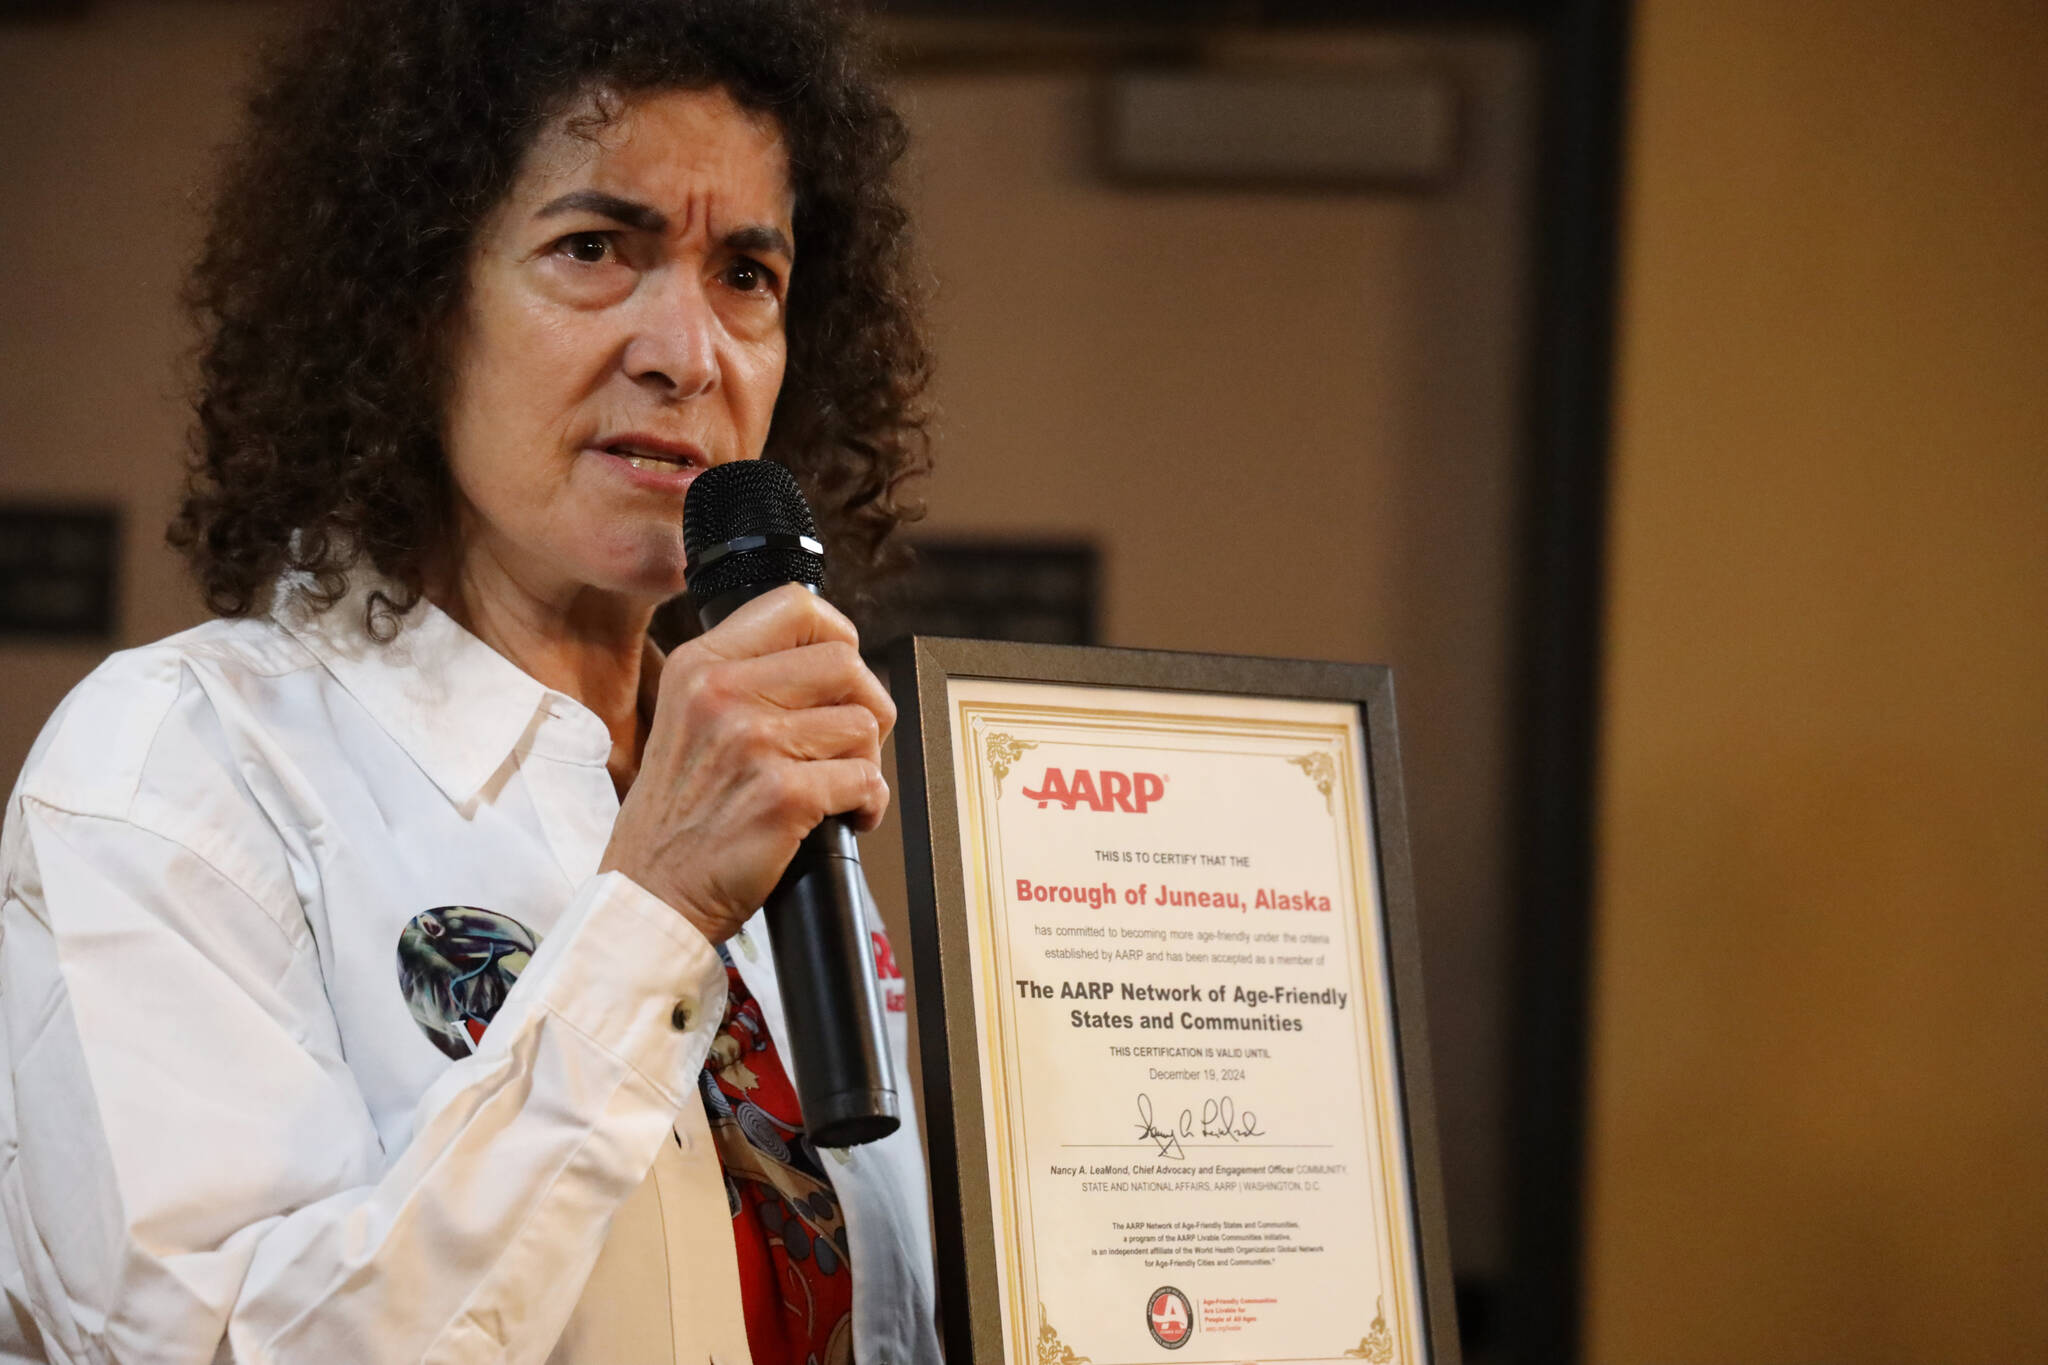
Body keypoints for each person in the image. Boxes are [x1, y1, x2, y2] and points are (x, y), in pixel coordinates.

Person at [0, 0, 939, 1361]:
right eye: (595, 248)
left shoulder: (782, 821)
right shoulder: (174, 771)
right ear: (411, 305)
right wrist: (652, 910)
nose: (690, 352)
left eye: (748, 275)